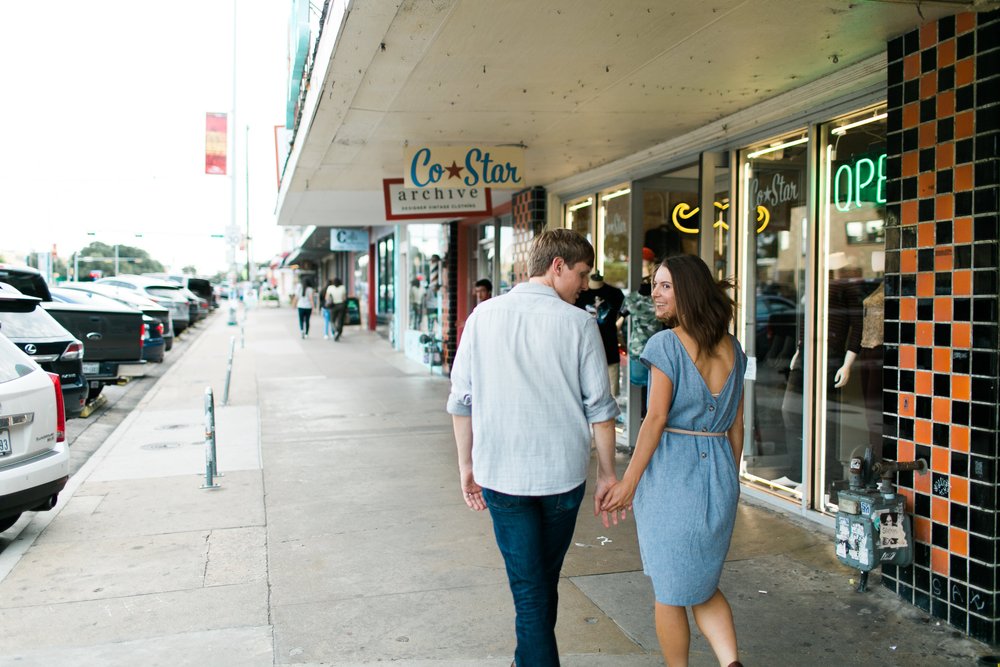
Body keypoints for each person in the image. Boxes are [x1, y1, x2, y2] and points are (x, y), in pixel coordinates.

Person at [447, 228, 623, 667]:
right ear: (557, 266)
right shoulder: (580, 324)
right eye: (581, 275)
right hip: (561, 478)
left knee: (532, 588)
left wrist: (466, 466)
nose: (585, 286)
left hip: (501, 474)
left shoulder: (482, 317)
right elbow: (600, 409)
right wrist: (606, 473)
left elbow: (460, 400)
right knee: (540, 585)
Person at [600, 253, 747, 667]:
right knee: (700, 584)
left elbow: (655, 418)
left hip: (672, 475)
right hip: (719, 472)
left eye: (665, 286)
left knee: (669, 590)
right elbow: (736, 425)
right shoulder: (733, 348)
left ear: (689, 292)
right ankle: (731, 662)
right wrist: (727, 480)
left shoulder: (665, 344)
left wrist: (628, 482)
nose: (655, 294)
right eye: (654, 285)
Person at [575, 272, 624, 396]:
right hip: (586, 354)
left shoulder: (615, 294)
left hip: (610, 352)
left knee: (612, 396)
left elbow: (623, 316)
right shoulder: (578, 294)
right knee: (589, 396)